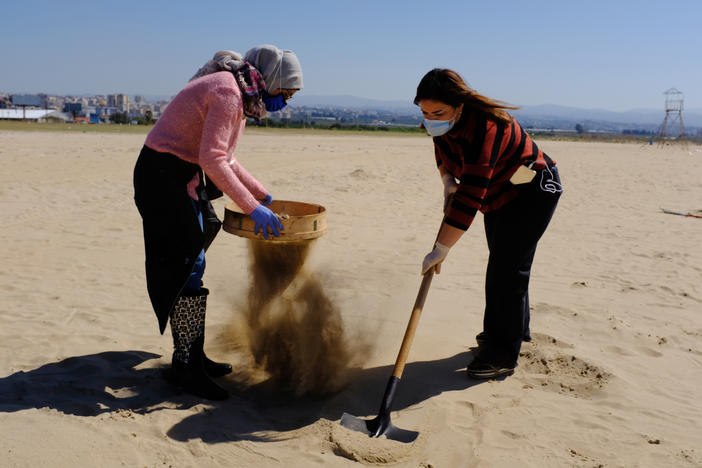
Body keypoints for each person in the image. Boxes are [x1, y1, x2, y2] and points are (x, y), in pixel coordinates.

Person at [133, 45, 303, 400]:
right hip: (163, 177)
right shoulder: (228, 91)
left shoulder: (240, 91)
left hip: (180, 175)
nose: (284, 101)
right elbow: (213, 159)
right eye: (285, 93)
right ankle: (187, 367)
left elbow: (227, 157)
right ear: (270, 80)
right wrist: (252, 207)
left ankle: (190, 358)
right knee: (188, 263)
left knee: (193, 262)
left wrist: (264, 196)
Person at [415, 68, 562, 379]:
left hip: (532, 190)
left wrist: (442, 248)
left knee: (507, 270)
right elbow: (441, 150)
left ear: (460, 105)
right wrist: (446, 180)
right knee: (505, 264)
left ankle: (502, 355)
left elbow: (471, 194)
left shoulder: (488, 126)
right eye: (425, 112)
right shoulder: (440, 124)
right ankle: (511, 331)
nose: (430, 119)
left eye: (438, 112)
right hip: (498, 195)